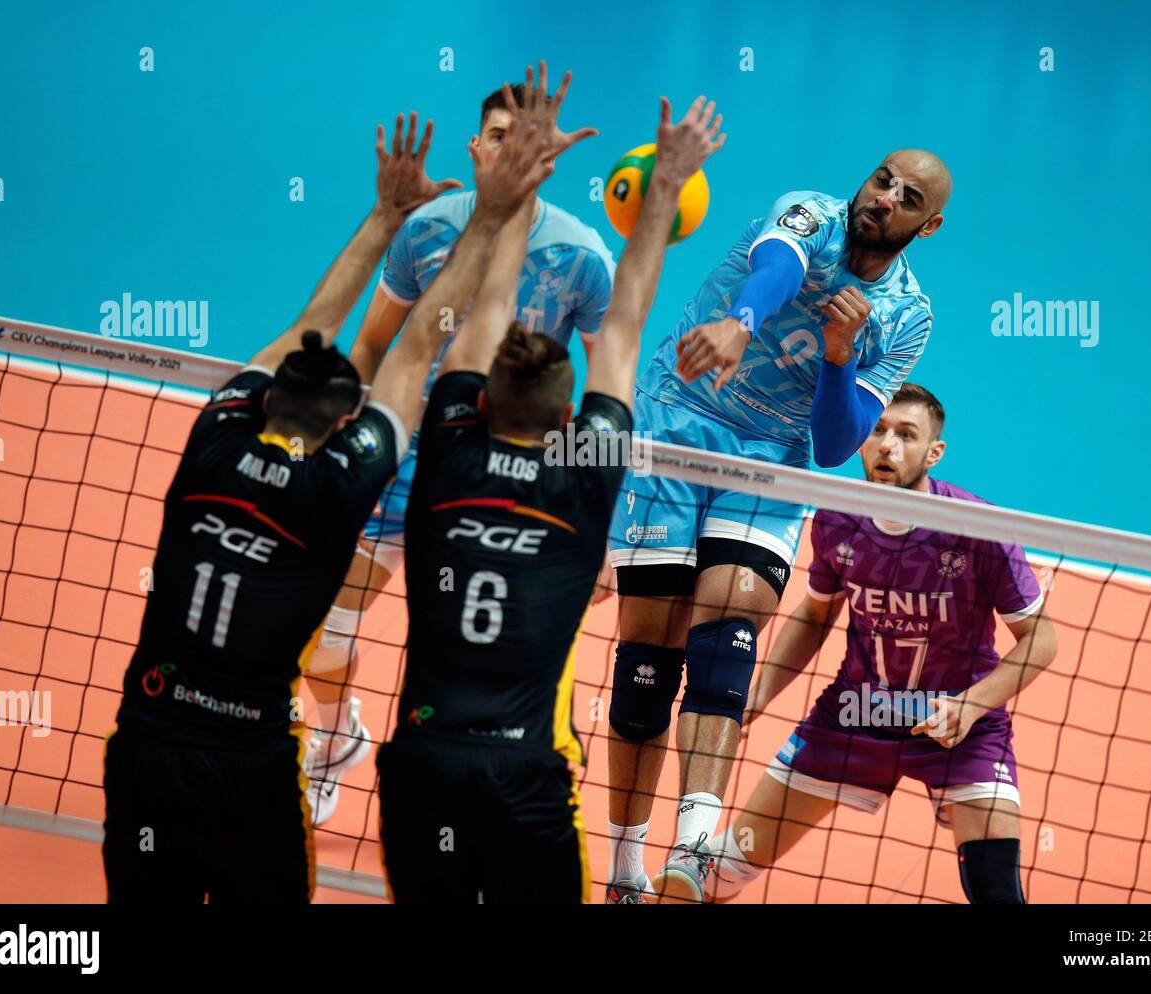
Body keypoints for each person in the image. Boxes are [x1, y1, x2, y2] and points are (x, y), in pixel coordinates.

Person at [101, 112, 500, 903]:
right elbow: (416, 351)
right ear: (340, 430)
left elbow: (306, 327)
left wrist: (386, 211)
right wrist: (490, 217)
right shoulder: (338, 492)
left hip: (148, 743)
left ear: (264, 399)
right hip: (250, 761)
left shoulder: (210, 445)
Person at [378, 64, 726, 903]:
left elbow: (454, 331)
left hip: (423, 769)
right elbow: (624, 330)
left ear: (476, 401)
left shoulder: (442, 465)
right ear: (575, 418)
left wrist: (501, 200)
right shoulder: (586, 490)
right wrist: (663, 194)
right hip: (525, 778)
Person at [604, 151, 953, 904]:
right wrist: (741, 324)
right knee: (647, 650)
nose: (885, 198)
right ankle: (623, 868)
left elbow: (834, 448)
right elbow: (777, 269)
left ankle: (692, 853)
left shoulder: (907, 314)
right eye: (883, 180)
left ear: (928, 225)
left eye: (909, 198)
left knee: (729, 627)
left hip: (772, 461)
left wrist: (836, 359)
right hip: (678, 420)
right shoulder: (810, 213)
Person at [300, 80, 618, 826]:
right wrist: (351, 442)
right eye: (499, 136)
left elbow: (606, 389)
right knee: (322, 635)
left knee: (490, 659)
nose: (512, 150)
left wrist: (595, 514)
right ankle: (338, 734)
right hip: (412, 455)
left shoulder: (582, 256)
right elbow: (376, 343)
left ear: (547, 155)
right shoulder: (427, 231)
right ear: (477, 147)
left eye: (527, 139)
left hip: (514, 474)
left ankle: (504, 792)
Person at [709, 383, 1058, 904]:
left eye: (905, 435)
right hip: (854, 717)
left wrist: (971, 706)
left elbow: (1041, 639)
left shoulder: (978, 528)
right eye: (877, 431)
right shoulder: (837, 518)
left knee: (996, 891)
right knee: (720, 871)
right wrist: (758, 695)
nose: (888, 446)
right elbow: (814, 613)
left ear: (933, 451)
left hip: (959, 727)